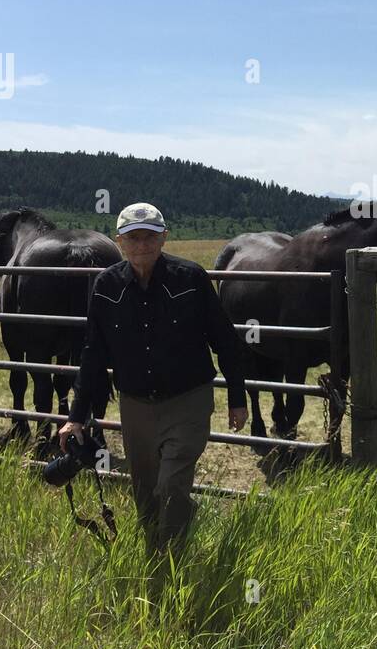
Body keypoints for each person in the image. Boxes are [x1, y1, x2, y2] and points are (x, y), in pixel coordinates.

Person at [60, 202, 247, 556]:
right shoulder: (106, 286)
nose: (142, 244)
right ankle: (154, 552)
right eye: (133, 237)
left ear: (164, 238)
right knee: (145, 493)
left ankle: (172, 562)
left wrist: (237, 397)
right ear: (120, 241)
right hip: (136, 406)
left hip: (188, 400)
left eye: (150, 236)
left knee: (172, 486)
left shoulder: (190, 279)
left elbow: (225, 340)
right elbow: (93, 353)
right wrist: (75, 417)